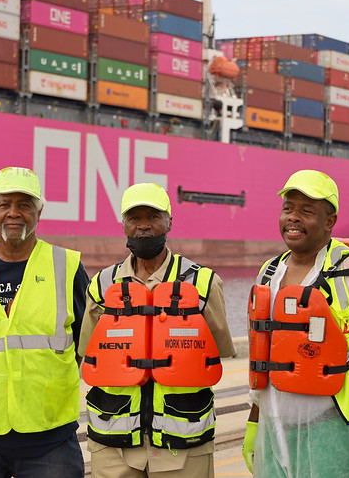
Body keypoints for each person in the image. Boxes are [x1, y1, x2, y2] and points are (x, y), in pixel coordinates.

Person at [242, 169, 349, 477]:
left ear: (329, 222)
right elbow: (261, 358)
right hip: (275, 431)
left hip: (334, 435)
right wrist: (254, 423)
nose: (293, 218)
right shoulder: (268, 273)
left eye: (307, 211)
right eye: (288, 208)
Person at [78, 182, 236, 477]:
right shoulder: (101, 285)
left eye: (153, 217)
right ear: (123, 225)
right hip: (114, 442)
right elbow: (88, 352)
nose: (143, 227)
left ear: (169, 222)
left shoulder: (202, 283)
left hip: (183, 440)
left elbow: (220, 352)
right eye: (134, 219)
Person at [0, 166, 89, 478]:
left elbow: (82, 344)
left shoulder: (67, 267)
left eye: (24, 205)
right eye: (4, 204)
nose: (13, 213)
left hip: (49, 435)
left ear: (39, 212)